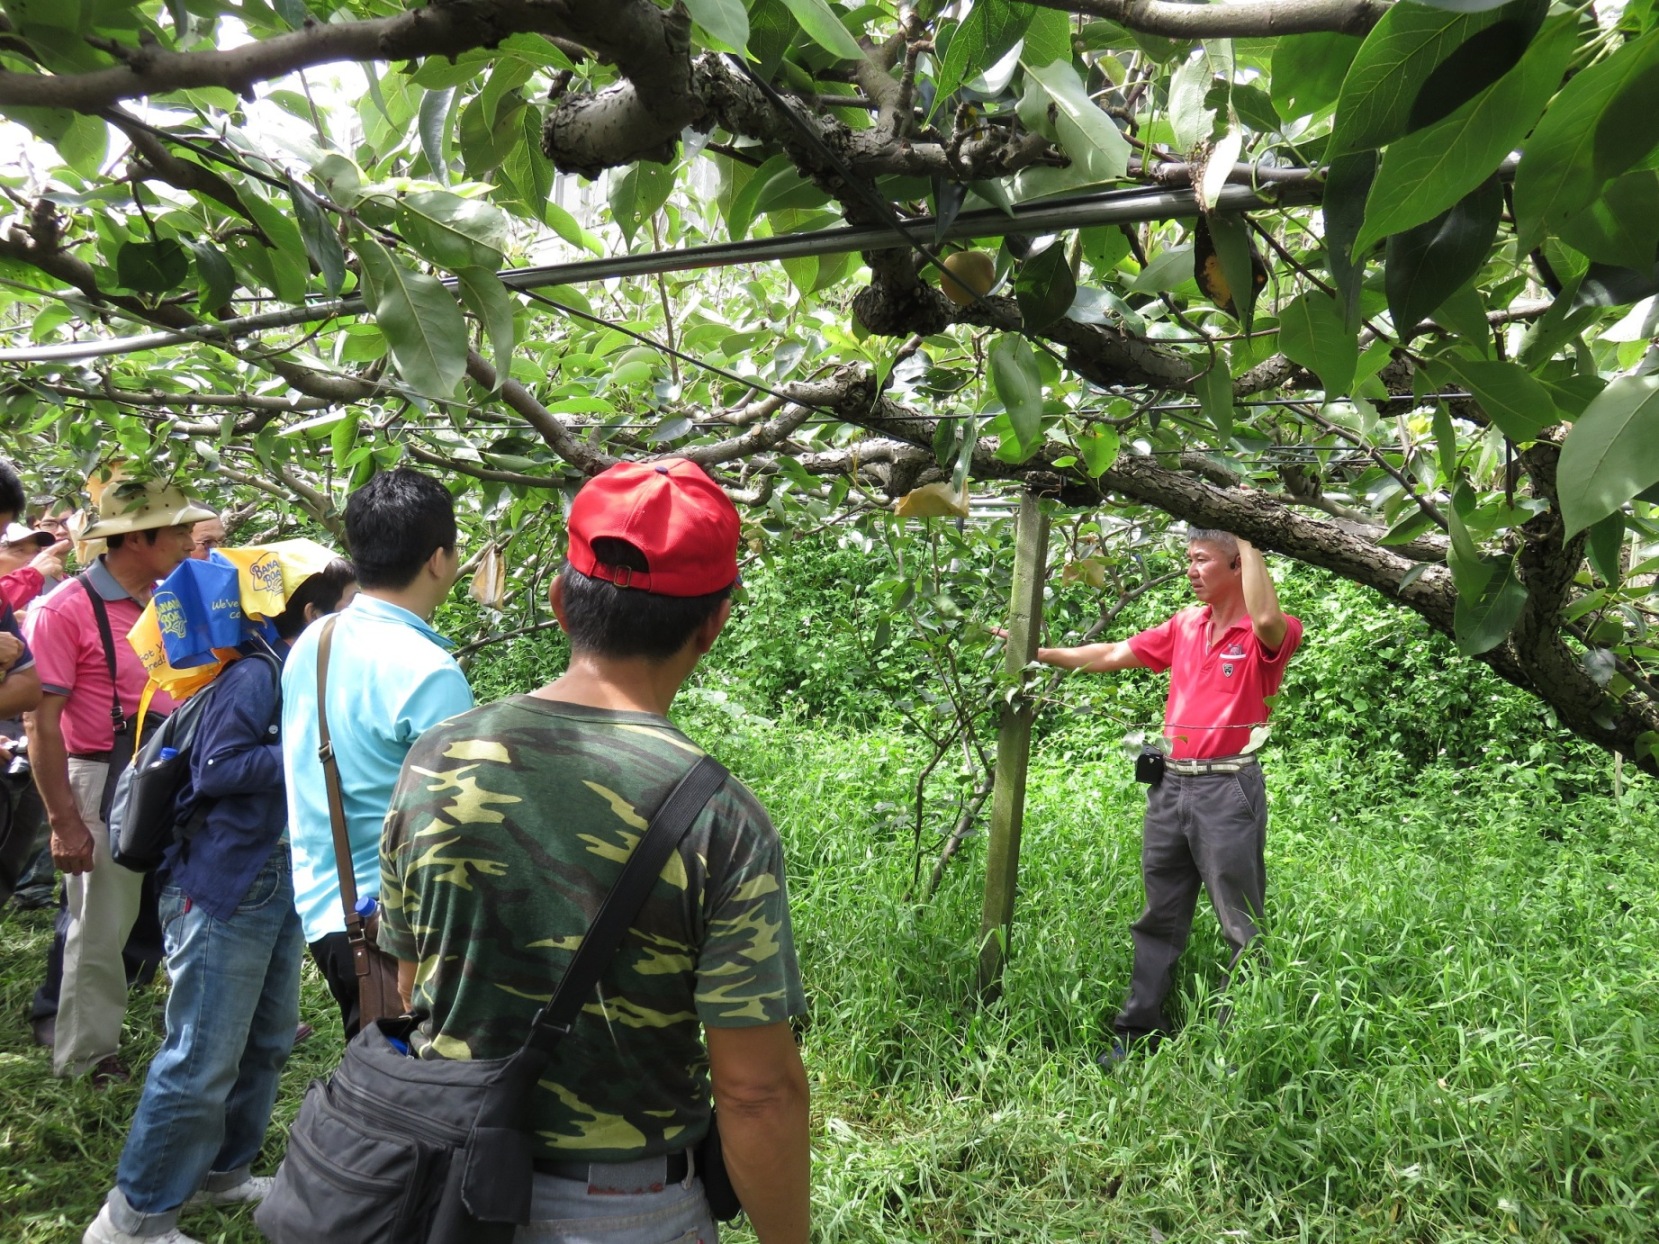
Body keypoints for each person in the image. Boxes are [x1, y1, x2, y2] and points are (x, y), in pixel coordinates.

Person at [380, 458, 810, 1244]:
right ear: (712, 624)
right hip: (624, 1209)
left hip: (447, 1184)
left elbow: (411, 980)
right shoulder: (720, 816)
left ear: (556, 602)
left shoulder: (435, 755)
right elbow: (755, 1092)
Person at [82, 560, 357, 1244]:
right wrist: (315, 753)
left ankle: (221, 1174)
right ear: (315, 616)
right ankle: (134, 1219)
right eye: (349, 609)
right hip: (226, 883)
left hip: (274, 878)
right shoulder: (256, 674)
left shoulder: (299, 673)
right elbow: (219, 766)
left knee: (264, 1042)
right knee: (200, 1057)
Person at [1015, 528, 1303, 1062]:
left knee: (1240, 919)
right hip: (1171, 783)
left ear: (1238, 565)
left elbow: (1266, 619)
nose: (1191, 570)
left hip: (1226, 786)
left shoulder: (1269, 633)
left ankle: (1234, 1038)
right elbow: (1113, 653)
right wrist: (1037, 653)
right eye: (1188, 560)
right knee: (1159, 913)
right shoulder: (1185, 625)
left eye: (1202, 560)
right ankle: (1137, 1029)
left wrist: (1252, 534)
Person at [25, 479, 210, 1082]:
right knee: (98, 925)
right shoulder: (66, 608)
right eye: (178, 530)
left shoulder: (165, 598)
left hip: (160, 771)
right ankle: (83, 1057)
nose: (188, 540)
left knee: (153, 915)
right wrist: (63, 821)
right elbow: (42, 723)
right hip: (100, 776)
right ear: (137, 539)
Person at [282, 468, 472, 1039]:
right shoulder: (429, 672)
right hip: (396, 929)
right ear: (438, 559)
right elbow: (456, 827)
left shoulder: (316, 641)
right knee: (415, 1094)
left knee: (375, 1072)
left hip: (325, 907)